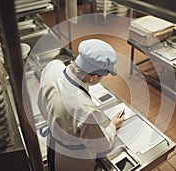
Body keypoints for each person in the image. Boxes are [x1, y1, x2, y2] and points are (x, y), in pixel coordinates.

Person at [37, 39, 125, 171]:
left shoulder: (53, 67)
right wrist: (112, 125)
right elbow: (102, 146)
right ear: (92, 78)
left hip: (55, 147)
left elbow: (41, 102)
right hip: (74, 161)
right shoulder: (85, 110)